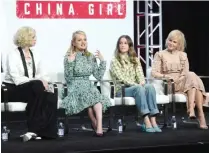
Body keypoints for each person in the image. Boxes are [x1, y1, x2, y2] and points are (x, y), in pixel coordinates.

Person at [2, 26, 58, 141]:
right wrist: (38, 81)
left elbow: (42, 73)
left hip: (32, 89)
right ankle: (34, 129)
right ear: (25, 38)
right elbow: (16, 78)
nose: (35, 39)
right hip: (13, 89)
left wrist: (42, 81)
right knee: (37, 86)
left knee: (51, 95)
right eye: (33, 37)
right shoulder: (12, 55)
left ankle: (47, 132)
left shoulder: (36, 54)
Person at [151, 29, 208, 129]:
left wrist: (181, 79)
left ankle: (192, 109)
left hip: (183, 82)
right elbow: (154, 73)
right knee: (194, 80)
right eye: (170, 40)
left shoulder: (183, 55)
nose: (171, 43)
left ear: (179, 44)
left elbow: (185, 72)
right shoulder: (160, 54)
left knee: (191, 76)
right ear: (167, 40)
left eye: (174, 42)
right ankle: (198, 114)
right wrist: (164, 76)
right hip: (169, 84)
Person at [61, 30, 111, 137]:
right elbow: (68, 78)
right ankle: (94, 122)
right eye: (79, 40)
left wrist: (102, 61)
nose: (83, 42)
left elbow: (98, 76)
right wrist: (70, 62)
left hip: (88, 85)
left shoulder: (90, 57)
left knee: (97, 98)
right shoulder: (69, 56)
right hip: (74, 86)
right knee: (90, 96)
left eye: (85, 39)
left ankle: (99, 127)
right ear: (73, 43)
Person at [110, 35, 162, 133]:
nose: (122, 45)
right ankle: (146, 121)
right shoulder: (114, 60)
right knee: (139, 88)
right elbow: (122, 78)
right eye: (120, 43)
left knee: (150, 87)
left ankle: (153, 121)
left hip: (135, 87)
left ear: (129, 45)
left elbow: (140, 75)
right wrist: (137, 85)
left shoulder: (135, 59)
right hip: (121, 90)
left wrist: (142, 82)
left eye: (125, 43)